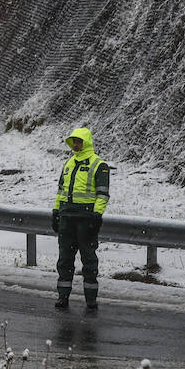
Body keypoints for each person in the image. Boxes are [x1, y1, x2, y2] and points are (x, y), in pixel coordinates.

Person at [52, 127, 110, 311]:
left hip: (86, 220)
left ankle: (90, 299)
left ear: (85, 142)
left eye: (78, 141)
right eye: (74, 141)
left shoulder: (99, 165)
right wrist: (55, 212)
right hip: (67, 218)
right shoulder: (68, 164)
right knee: (65, 260)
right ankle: (63, 297)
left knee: (89, 260)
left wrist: (96, 215)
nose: (76, 145)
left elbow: (103, 194)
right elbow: (61, 191)